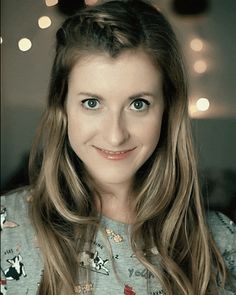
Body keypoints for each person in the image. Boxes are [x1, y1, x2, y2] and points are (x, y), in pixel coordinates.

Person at [1, 1, 235, 294]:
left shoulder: (221, 243)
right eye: (92, 103)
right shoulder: (5, 231)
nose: (115, 136)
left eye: (139, 104)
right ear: (63, 108)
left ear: (167, 110)